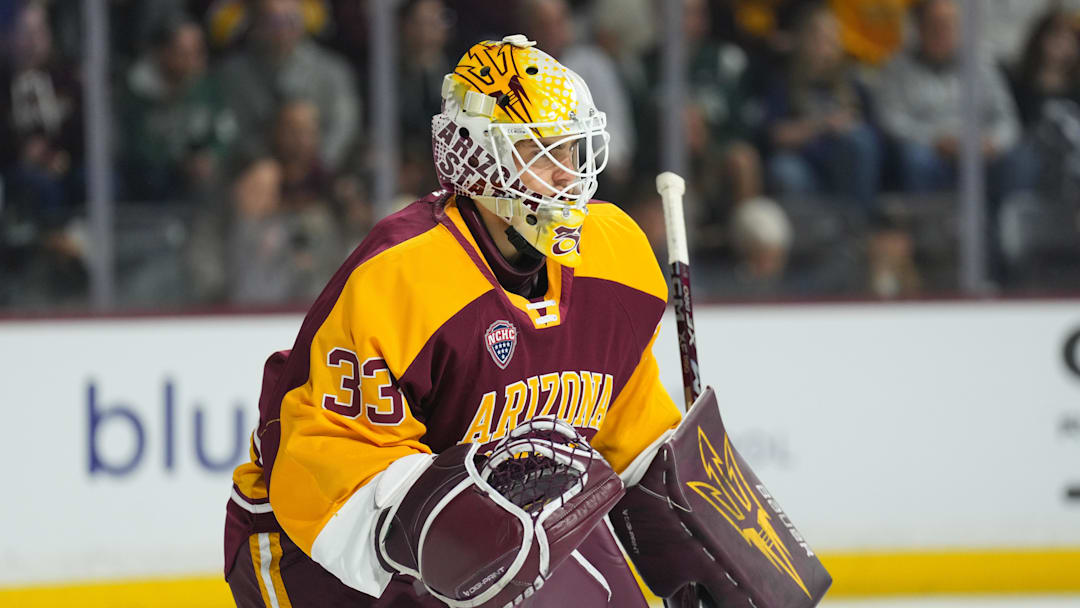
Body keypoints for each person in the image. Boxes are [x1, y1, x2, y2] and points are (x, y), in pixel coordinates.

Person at [223, 35, 682, 606]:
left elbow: (629, 423)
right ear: (480, 157)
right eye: (542, 154)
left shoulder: (616, 258)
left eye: (572, 150)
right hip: (317, 555)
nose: (566, 175)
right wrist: (462, 537)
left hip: (493, 554)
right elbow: (327, 459)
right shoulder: (403, 274)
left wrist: (692, 515)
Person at [876, 0, 1022, 194]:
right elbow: (891, 120)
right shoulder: (897, 68)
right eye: (935, 25)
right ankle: (926, 222)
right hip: (929, 149)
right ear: (919, 28)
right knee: (916, 159)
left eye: (950, 24)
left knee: (1017, 158)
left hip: (980, 149)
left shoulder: (981, 64)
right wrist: (936, 140)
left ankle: (1004, 223)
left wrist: (993, 142)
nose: (944, 32)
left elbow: (1007, 119)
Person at [764, 4, 882, 209]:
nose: (825, 46)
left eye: (831, 38)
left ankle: (858, 221)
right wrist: (823, 124)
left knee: (860, 140)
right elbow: (776, 136)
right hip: (805, 165)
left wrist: (847, 127)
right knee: (784, 169)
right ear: (801, 40)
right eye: (817, 38)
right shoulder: (783, 81)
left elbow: (875, 133)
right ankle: (811, 235)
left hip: (845, 166)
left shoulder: (853, 83)